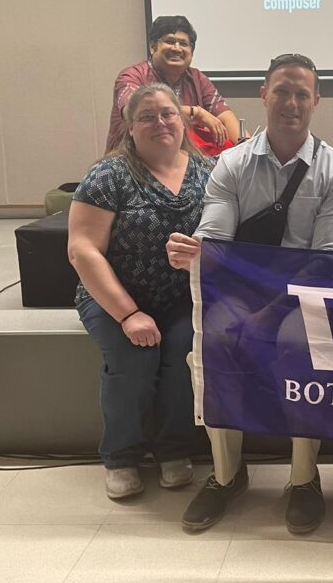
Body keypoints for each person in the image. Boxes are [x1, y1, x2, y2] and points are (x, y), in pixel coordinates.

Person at [166, 52, 333, 534]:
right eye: (282, 91)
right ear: (263, 95)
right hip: (242, 291)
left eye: (301, 94)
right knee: (212, 345)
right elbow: (218, 239)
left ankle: (303, 479)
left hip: (308, 297)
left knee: (301, 345)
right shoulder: (230, 166)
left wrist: (270, 314)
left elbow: (325, 264)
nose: (291, 102)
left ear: (316, 101)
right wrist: (195, 249)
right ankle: (227, 475)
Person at [68, 83, 214, 499]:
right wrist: (129, 314)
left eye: (168, 113)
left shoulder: (209, 172)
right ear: (130, 128)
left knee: (185, 355)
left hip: (185, 300)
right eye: (147, 117)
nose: (160, 123)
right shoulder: (108, 175)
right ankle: (121, 455)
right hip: (115, 297)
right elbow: (82, 250)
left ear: (182, 120)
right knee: (134, 359)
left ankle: (173, 450)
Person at [106, 15, 240, 156]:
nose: (177, 49)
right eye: (170, 41)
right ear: (152, 46)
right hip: (130, 164)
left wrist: (249, 149)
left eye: (183, 44)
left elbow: (226, 117)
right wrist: (196, 113)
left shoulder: (197, 79)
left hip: (182, 166)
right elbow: (132, 111)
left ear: (192, 51)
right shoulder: (132, 76)